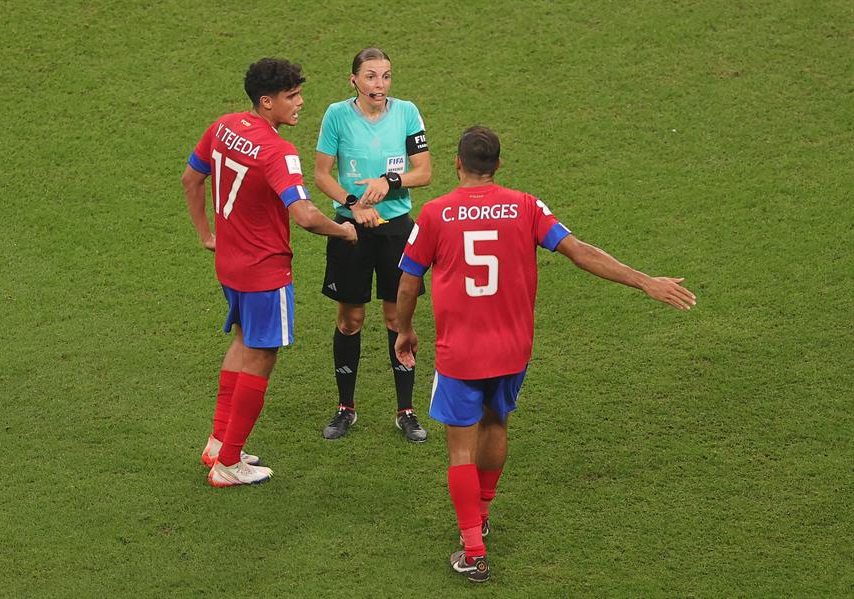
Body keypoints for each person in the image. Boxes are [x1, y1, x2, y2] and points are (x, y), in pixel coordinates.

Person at [394, 126, 697, 582]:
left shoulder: (435, 213)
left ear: (457, 164)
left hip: (461, 352)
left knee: (460, 449)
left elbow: (408, 282)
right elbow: (579, 251)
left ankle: (474, 550)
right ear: (498, 165)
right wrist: (644, 280)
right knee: (496, 423)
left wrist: (405, 330)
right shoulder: (526, 206)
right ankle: (483, 514)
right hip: (512, 349)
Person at [181, 58, 357, 487]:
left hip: (230, 264)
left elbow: (190, 178)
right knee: (262, 356)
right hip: (264, 272)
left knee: (242, 341)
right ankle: (229, 463)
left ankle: (217, 443)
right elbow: (305, 215)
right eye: (291, 96)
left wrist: (206, 235)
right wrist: (344, 231)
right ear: (266, 102)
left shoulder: (224, 126)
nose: (300, 103)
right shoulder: (278, 151)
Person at [314, 47, 432, 442]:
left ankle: (406, 411)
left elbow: (424, 172)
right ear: (354, 80)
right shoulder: (336, 115)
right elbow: (322, 175)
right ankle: (345, 408)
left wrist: (389, 181)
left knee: (398, 319)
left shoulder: (407, 112)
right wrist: (353, 204)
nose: (379, 84)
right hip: (350, 230)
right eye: (370, 76)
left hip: (396, 229)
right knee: (350, 319)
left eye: (385, 76)